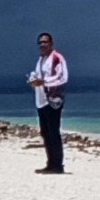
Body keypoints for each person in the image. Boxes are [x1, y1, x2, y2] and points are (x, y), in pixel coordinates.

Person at [26, 33, 68, 174]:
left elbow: (62, 77)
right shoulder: (41, 60)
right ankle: (50, 163)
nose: (42, 45)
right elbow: (39, 76)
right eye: (40, 42)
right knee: (46, 132)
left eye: (45, 42)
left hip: (53, 100)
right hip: (41, 101)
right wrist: (34, 81)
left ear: (51, 43)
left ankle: (58, 165)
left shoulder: (57, 58)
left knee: (54, 132)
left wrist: (44, 82)